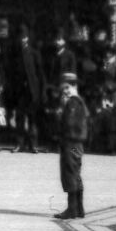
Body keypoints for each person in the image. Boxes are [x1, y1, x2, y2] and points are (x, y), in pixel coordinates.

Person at [53, 72, 89, 220]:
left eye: (67, 87)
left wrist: (60, 113)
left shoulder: (73, 103)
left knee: (70, 171)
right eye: (64, 88)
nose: (65, 91)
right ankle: (79, 209)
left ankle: (72, 209)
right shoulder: (78, 101)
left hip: (71, 144)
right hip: (77, 145)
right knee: (75, 171)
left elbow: (70, 123)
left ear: (74, 86)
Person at [11, 25, 46, 154]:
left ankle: (33, 144)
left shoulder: (34, 53)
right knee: (19, 118)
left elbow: (41, 74)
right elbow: (12, 74)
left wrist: (42, 92)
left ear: (28, 38)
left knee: (32, 118)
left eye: (24, 37)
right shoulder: (15, 55)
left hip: (32, 91)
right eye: (21, 37)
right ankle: (19, 144)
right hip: (20, 91)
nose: (22, 40)